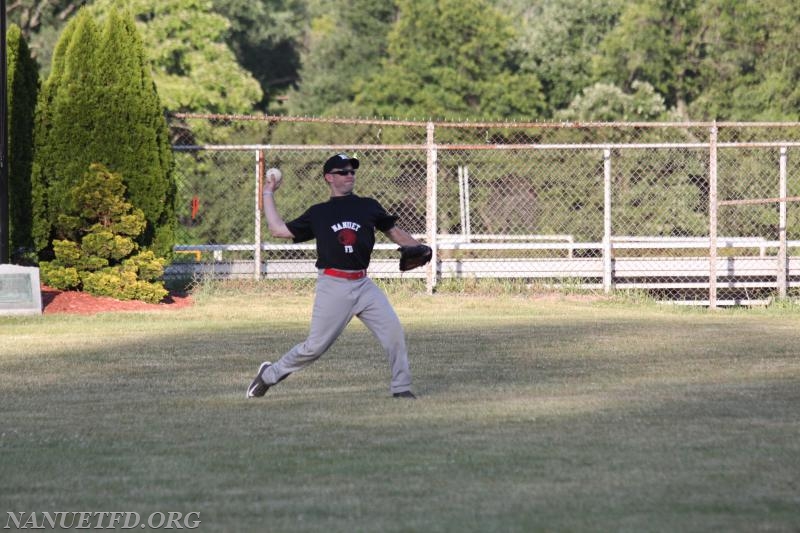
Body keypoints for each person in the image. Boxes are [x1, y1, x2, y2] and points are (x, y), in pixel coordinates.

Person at [247, 153, 425, 400]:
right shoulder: (319, 213)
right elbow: (278, 229)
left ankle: (401, 388)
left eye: (352, 171)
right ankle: (269, 375)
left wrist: (421, 247)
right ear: (329, 178)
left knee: (394, 332)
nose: (350, 175)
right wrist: (268, 192)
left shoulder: (368, 206)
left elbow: (395, 233)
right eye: (343, 172)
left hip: (363, 284)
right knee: (314, 348)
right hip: (333, 285)